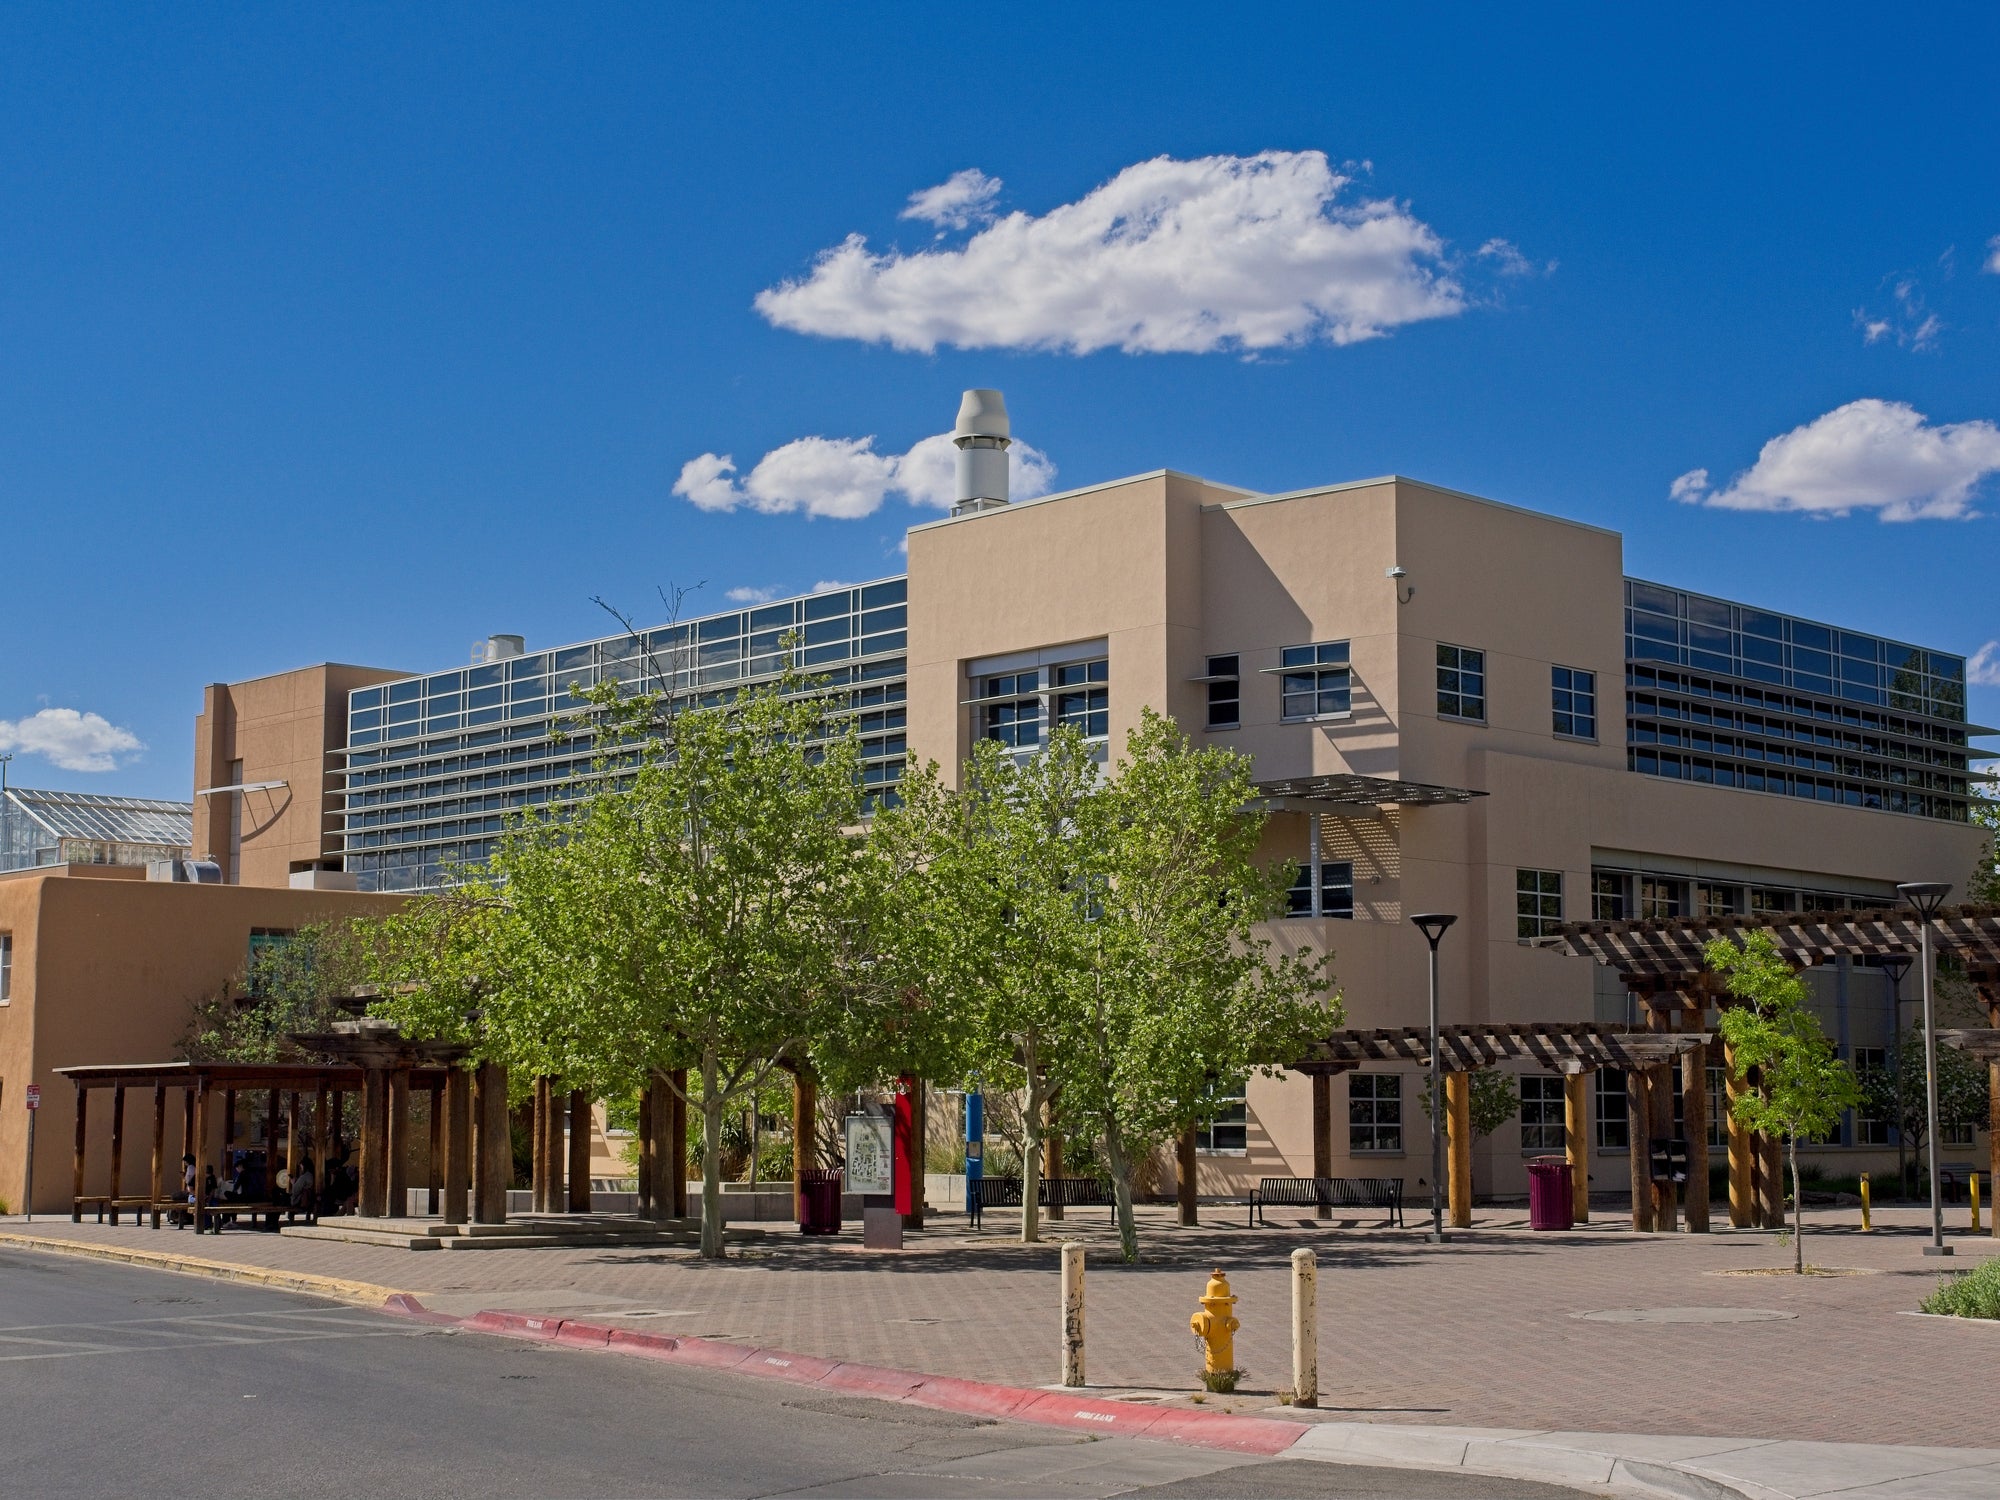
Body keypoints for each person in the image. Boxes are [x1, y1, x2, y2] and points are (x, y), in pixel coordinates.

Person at [288, 1159, 316, 1223]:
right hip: (310, 1198)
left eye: (301, 1167)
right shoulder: (312, 1175)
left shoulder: (304, 1176)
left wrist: (293, 1183)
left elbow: (296, 1190)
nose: (301, 1169)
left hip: (301, 1200)